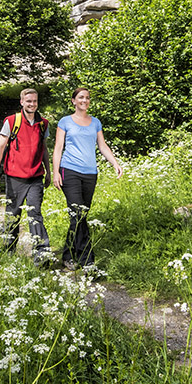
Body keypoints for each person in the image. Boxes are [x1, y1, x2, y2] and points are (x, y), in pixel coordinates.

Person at [52, 87, 123, 269]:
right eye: (81, 97)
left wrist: (115, 163)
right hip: (70, 171)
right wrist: (55, 172)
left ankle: (68, 255)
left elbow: (102, 146)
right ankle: (87, 260)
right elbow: (58, 148)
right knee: (77, 214)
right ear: (74, 101)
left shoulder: (95, 122)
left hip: (90, 173)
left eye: (87, 98)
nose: (85, 100)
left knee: (81, 216)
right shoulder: (65, 121)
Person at [0, 88, 52, 264]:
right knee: (13, 215)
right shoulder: (12, 121)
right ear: (22, 102)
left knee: (35, 215)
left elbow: (44, 149)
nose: (32, 104)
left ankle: (42, 256)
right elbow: (1, 147)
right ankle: (8, 252)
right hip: (15, 177)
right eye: (29, 101)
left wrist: (48, 171)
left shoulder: (43, 124)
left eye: (35, 101)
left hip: (36, 178)